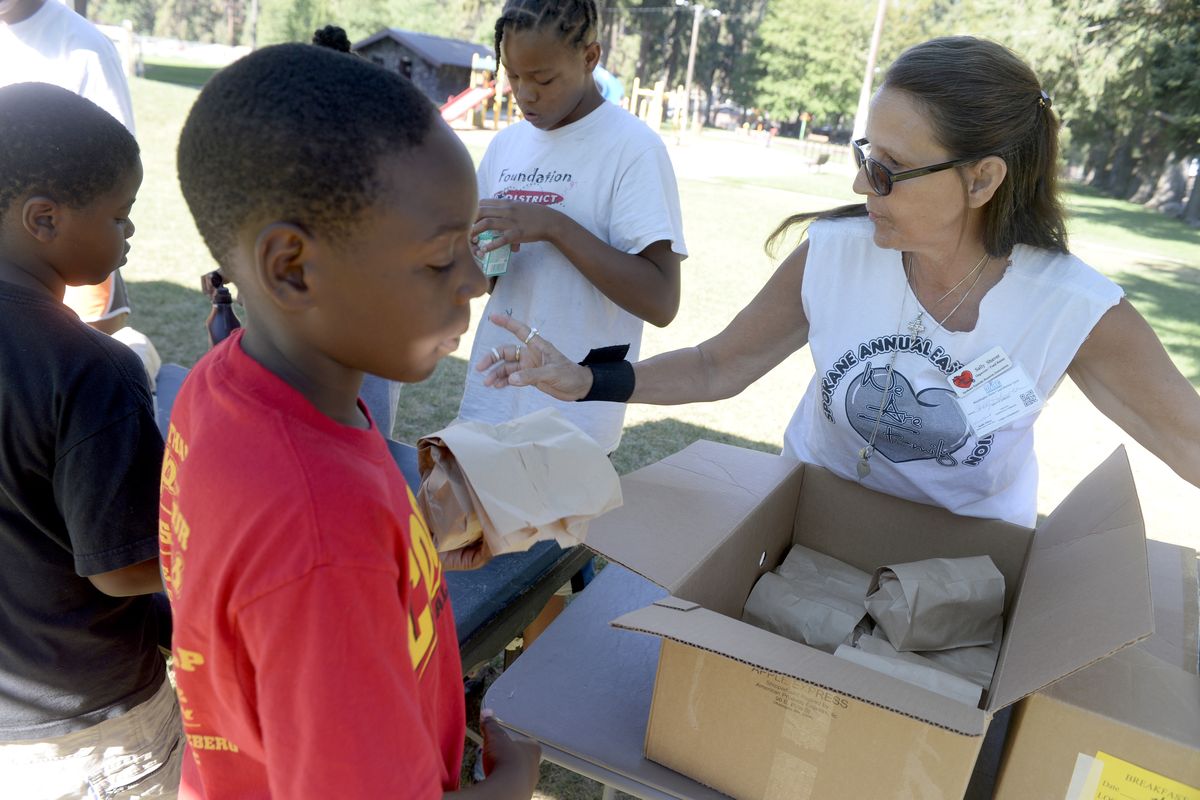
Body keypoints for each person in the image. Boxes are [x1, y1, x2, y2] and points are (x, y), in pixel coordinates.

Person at [475, 36, 1200, 528]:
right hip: (807, 522)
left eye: (886, 168)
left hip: (964, 563)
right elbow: (719, 363)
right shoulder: (836, 252)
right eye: (864, 154)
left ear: (982, 179)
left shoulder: (1074, 308)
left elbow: (1188, 442)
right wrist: (586, 381)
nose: (859, 182)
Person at [164, 43, 540, 798]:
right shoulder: (321, 534)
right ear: (292, 268)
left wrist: (410, 547)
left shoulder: (225, 386)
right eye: (441, 260)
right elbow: (312, 554)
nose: (474, 280)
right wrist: (512, 784)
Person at [461, 0, 687, 646]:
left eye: (546, 79)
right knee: (474, 592)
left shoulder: (631, 150)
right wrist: (479, 257)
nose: (527, 95)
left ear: (590, 58)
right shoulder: (506, 146)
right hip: (488, 402)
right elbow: (488, 278)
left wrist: (554, 227)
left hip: (570, 424)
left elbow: (662, 299)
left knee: (533, 601)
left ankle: (515, 738)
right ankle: (475, 711)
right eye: (515, 77)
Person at [0, 83, 182, 799]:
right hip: (89, 730)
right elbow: (124, 566)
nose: (128, 236)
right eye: (120, 215)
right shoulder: (94, 370)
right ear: (43, 218)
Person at [0, 0, 140, 338]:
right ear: (42, 219)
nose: (131, 229)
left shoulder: (85, 47)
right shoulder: (107, 370)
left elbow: (114, 174)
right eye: (123, 219)